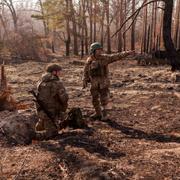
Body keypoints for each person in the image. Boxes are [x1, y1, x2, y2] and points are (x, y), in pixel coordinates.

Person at [83, 42, 134, 120]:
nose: (100, 51)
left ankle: (104, 115)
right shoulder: (89, 60)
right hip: (94, 83)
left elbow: (116, 56)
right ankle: (98, 113)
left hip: (103, 83)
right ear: (93, 51)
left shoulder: (105, 58)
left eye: (100, 50)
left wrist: (127, 53)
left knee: (104, 99)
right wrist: (85, 80)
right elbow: (86, 70)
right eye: (98, 50)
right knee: (94, 99)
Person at [35, 64, 68, 140]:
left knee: (42, 122)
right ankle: (37, 137)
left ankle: (38, 130)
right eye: (59, 71)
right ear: (54, 72)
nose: (60, 73)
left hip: (42, 109)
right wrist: (63, 107)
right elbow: (64, 98)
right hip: (52, 111)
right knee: (53, 134)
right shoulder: (57, 83)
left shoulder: (41, 82)